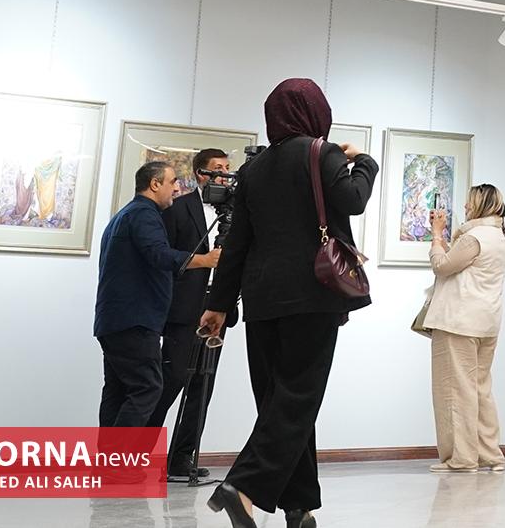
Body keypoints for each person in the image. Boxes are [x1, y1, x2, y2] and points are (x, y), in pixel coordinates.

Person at [202, 78, 377, 528]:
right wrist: (364, 162)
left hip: (262, 299)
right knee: (297, 400)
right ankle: (242, 486)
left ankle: (299, 507)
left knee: (280, 402)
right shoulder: (322, 153)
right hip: (312, 294)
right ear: (316, 112)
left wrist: (219, 303)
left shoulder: (255, 169)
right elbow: (354, 200)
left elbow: (237, 243)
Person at [97, 160, 211, 429]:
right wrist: (205, 260)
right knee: (147, 388)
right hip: (135, 320)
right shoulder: (144, 215)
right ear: (155, 184)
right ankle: (122, 456)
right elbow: (159, 254)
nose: (177, 189)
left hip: (114, 320)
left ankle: (109, 456)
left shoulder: (125, 215)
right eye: (172, 182)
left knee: (118, 390)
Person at [145, 148, 230, 482]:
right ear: (201, 174)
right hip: (183, 308)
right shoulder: (178, 208)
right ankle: (139, 454)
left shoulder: (237, 213)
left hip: (217, 306)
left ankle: (181, 457)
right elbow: (164, 257)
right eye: (218, 169)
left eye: (228, 168)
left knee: (203, 384)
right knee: (172, 378)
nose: (225, 175)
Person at [425, 183, 505, 473]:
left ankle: (462, 459)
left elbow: (441, 266)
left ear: (481, 205)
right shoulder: (498, 236)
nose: (465, 207)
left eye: (469, 202)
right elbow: (460, 265)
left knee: (455, 391)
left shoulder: (474, 237)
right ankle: (490, 455)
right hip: (486, 323)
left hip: (458, 322)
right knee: (480, 389)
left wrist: (437, 235)